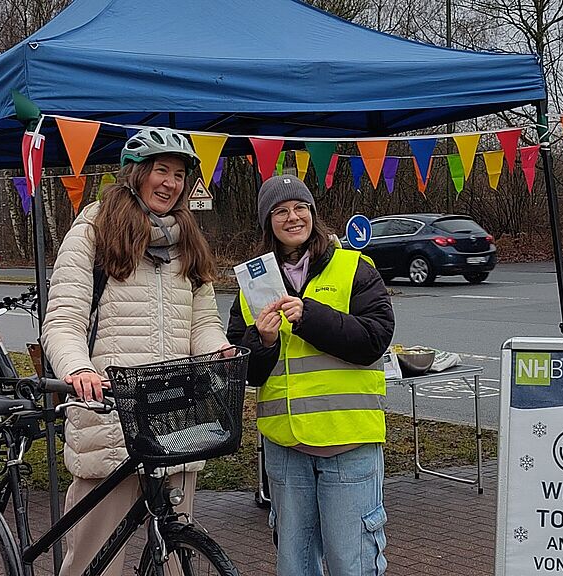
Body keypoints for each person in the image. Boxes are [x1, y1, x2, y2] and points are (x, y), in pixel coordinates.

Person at [42, 127, 230, 576]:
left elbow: (202, 324)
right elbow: (63, 319)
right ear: (136, 173)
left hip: (177, 421)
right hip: (111, 416)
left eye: (179, 174)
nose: (171, 183)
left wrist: (219, 349)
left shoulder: (189, 240)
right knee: (93, 561)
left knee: (175, 552)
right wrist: (78, 370)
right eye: (161, 170)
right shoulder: (94, 229)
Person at [227, 175, 395, 575]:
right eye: (280, 211)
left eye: (300, 208)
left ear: (313, 214)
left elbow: (374, 339)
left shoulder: (354, 268)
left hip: (348, 441)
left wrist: (309, 316)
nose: (292, 217)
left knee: (352, 564)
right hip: (286, 448)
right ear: (267, 222)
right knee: (295, 565)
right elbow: (243, 368)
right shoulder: (253, 282)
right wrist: (263, 341)